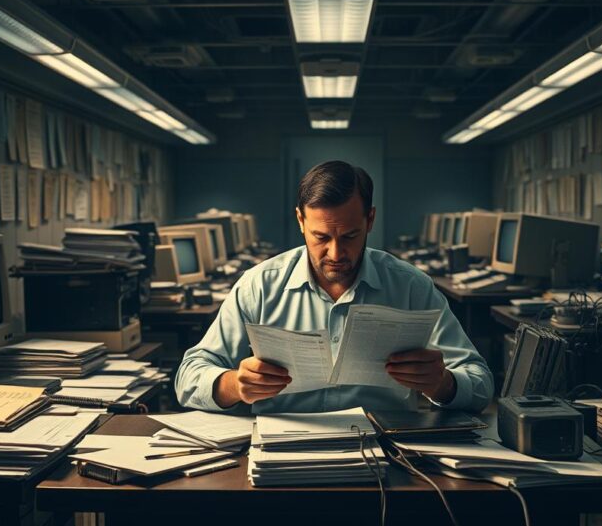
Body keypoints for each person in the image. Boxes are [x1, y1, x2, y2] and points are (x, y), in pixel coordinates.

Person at [175, 160, 493, 413]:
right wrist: (234, 384)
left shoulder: (411, 286)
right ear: (300, 221)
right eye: (321, 237)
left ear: (370, 220)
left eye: (350, 236)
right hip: (281, 451)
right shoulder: (259, 285)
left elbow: (480, 383)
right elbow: (188, 379)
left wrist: (441, 384)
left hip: (385, 449)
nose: (336, 253)